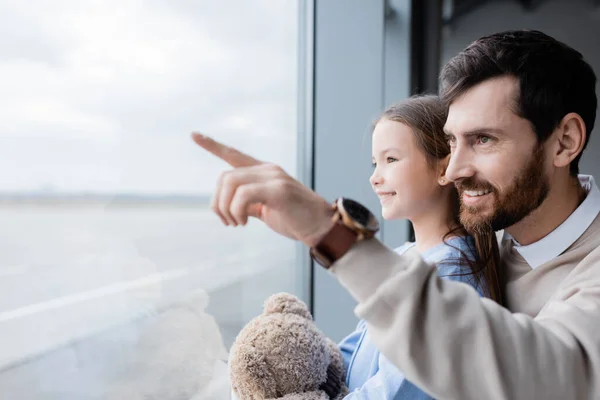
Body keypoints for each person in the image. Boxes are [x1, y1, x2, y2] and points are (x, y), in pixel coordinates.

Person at [193, 29, 600, 399]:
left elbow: (542, 376)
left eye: (483, 140)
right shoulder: (489, 233)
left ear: (564, 142)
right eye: (452, 142)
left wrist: (329, 230)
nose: (454, 170)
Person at [339, 95, 498, 399]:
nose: (375, 178)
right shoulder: (401, 257)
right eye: (375, 163)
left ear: (444, 170)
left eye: (391, 159)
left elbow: (395, 391)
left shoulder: (451, 275)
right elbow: (350, 351)